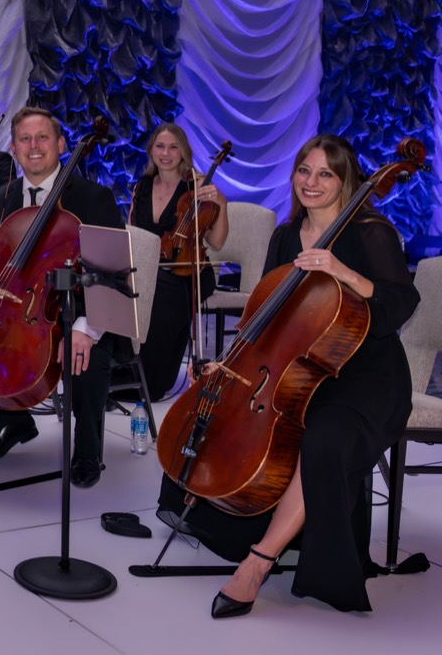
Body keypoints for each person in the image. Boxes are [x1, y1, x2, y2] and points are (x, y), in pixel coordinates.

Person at [158, 134, 418, 616]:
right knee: (232, 421)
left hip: (365, 374)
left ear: (346, 181)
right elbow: (267, 312)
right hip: (298, 368)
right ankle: (233, 523)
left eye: (325, 174)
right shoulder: (285, 235)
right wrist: (231, 360)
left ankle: (258, 562)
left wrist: (343, 272)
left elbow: (401, 303)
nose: (311, 182)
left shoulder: (369, 231)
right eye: (304, 171)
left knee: (322, 440)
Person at [0, 107, 124, 488]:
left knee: (86, 356)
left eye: (42, 138)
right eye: (25, 139)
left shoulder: (93, 198)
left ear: (61, 144)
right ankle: (8, 423)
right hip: (9, 309)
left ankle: (88, 448)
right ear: (14, 149)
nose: (33, 146)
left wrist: (85, 328)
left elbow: (111, 274)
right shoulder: (1, 198)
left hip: (72, 313)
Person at [126, 123, 228, 398]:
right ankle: (124, 373)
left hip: (189, 273)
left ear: (183, 152)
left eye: (173, 147)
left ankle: (153, 381)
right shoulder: (141, 187)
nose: (166, 153)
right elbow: (132, 233)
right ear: (151, 150)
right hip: (149, 270)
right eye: (160, 146)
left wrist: (222, 203)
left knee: (159, 291)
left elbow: (217, 242)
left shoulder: (196, 186)